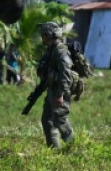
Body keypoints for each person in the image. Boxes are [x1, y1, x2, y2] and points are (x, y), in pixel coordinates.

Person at [36, 21, 75, 149]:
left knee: (60, 120)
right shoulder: (51, 50)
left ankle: (74, 148)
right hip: (53, 90)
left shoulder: (60, 50)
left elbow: (66, 73)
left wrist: (60, 94)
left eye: (43, 34)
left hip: (60, 91)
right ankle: (54, 151)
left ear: (48, 35)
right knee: (47, 120)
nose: (42, 37)